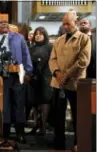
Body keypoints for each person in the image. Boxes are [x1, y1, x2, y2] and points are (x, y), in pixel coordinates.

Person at [49, 12, 91, 152]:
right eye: (64, 24)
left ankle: (78, 143)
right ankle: (59, 143)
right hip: (58, 83)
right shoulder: (58, 40)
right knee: (58, 116)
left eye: (69, 24)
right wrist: (57, 73)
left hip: (75, 84)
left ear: (76, 22)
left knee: (77, 117)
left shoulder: (84, 39)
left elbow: (83, 61)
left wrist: (66, 75)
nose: (65, 26)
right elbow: (52, 59)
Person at [0, 17, 33, 143]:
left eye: (6, 22)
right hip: (1, 76)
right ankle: (4, 133)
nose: (4, 24)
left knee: (19, 104)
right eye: (0, 22)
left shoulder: (18, 37)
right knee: (4, 105)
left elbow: (25, 54)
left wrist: (28, 71)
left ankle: (20, 132)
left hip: (17, 75)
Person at [29, 26, 53, 135]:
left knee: (45, 102)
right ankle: (35, 125)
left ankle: (43, 126)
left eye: (40, 33)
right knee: (34, 102)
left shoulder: (50, 47)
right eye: (36, 34)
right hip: (33, 78)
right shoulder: (31, 48)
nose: (38, 35)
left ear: (45, 35)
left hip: (46, 78)